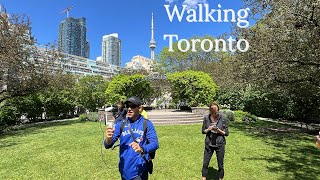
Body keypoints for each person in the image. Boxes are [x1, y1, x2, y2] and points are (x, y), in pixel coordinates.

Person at [104, 96, 159, 180]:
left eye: (132, 106)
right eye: (127, 106)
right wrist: (108, 138)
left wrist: (142, 149)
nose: (129, 109)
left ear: (139, 108)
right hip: (124, 169)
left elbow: (155, 144)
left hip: (139, 171)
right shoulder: (120, 124)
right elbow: (107, 145)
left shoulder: (147, 124)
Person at [201, 102, 229, 180]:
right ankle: (203, 178)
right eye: (212, 112)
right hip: (209, 144)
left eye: (215, 112)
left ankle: (220, 178)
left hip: (220, 144)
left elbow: (226, 133)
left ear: (218, 110)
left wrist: (219, 131)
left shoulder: (223, 118)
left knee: (220, 165)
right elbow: (203, 131)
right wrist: (208, 129)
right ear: (210, 111)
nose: (214, 114)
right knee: (205, 163)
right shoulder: (206, 118)